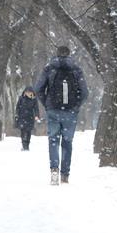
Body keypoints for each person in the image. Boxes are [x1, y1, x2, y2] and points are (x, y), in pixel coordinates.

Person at [34, 45, 88, 185]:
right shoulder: (76, 69)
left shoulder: (49, 68)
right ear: (69, 54)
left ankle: (54, 169)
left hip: (53, 110)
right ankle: (65, 174)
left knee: (53, 140)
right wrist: (76, 106)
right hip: (70, 112)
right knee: (67, 142)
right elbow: (84, 92)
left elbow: (38, 89)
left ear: (57, 54)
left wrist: (47, 104)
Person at [14, 86, 40, 151]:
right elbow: (17, 107)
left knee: (28, 132)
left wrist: (37, 116)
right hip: (22, 117)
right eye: (27, 92)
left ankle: (27, 145)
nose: (28, 93)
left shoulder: (34, 99)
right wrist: (17, 114)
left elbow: (36, 108)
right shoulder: (21, 98)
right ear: (25, 92)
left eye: (29, 92)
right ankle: (24, 145)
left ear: (32, 92)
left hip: (30, 118)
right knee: (23, 131)